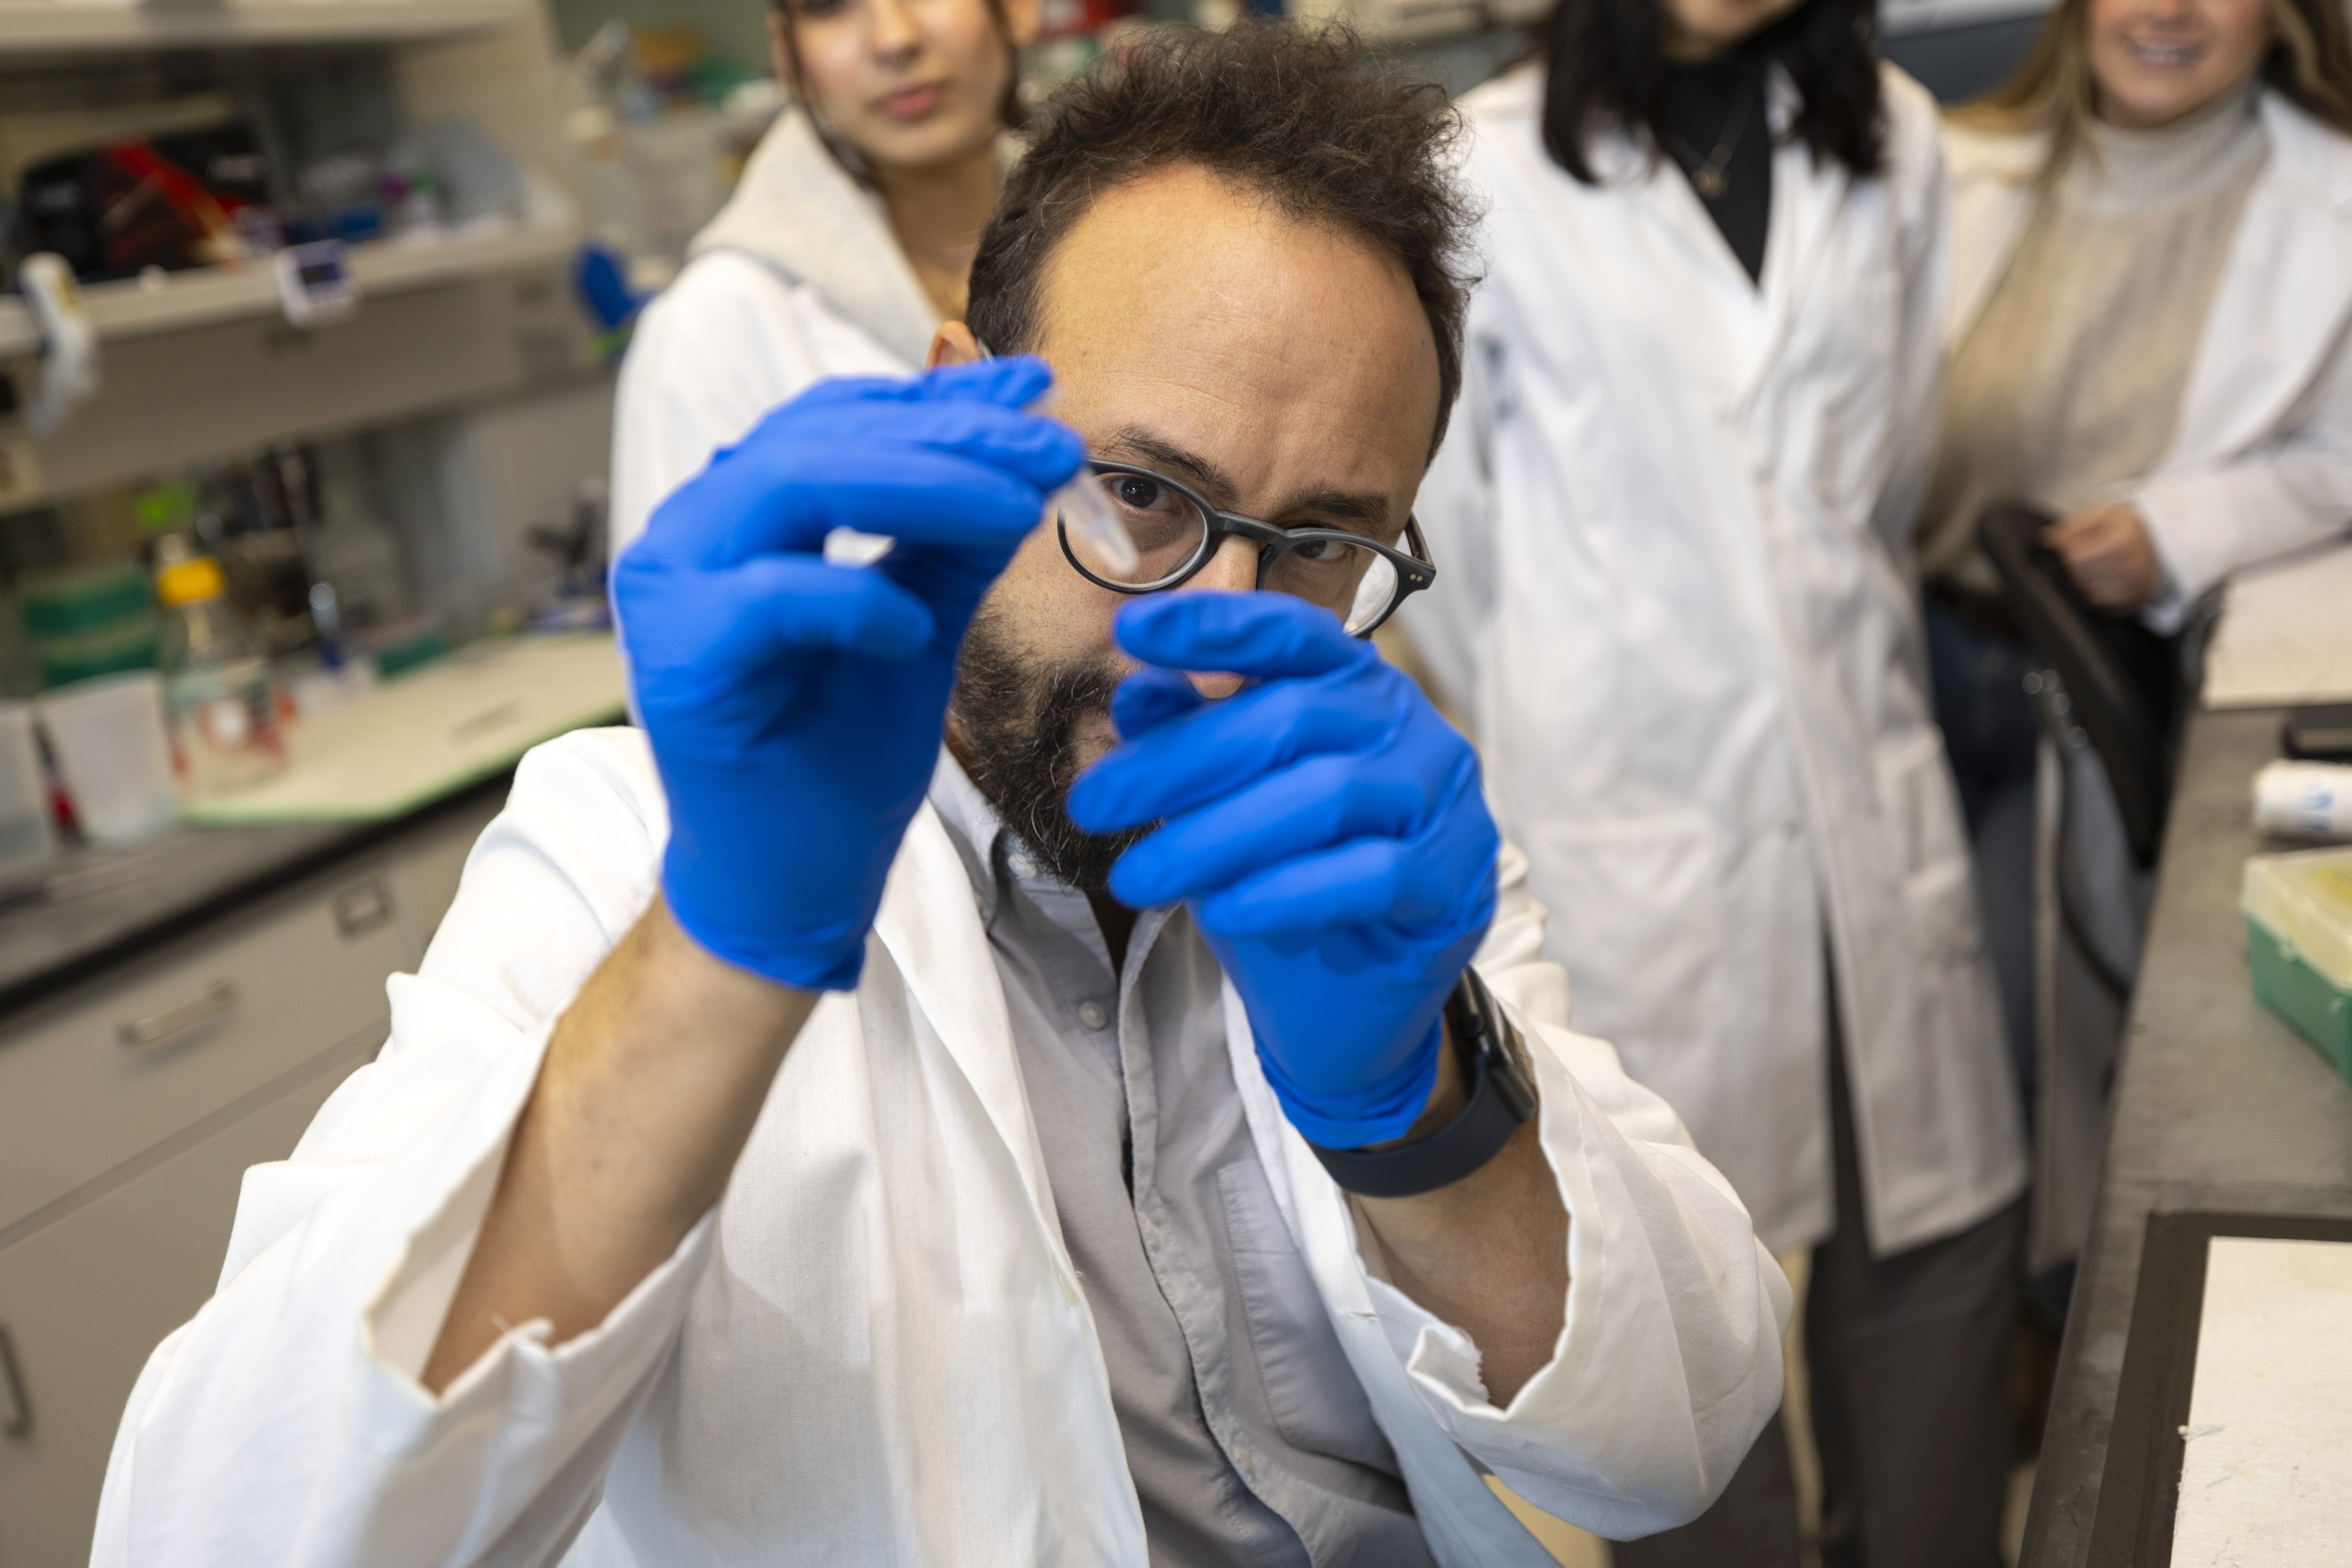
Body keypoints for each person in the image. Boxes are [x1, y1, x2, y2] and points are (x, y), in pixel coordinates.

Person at [91, 27, 1792, 1567]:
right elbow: (219, 1530)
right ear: (954, 404)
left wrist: (1424, 1113)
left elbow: (1681, 1434)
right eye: (1140, 493)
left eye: (1325, 543)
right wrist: (722, 957)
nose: (1209, 642)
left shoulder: (1351, 830)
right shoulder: (630, 854)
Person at [1403, 0, 2028, 1564]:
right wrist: (1606, 690)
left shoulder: (1893, 135)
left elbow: (1879, 481)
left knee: (1933, 1260)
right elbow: (1452, 540)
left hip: (1863, 788)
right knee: (1674, 1314)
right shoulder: (1474, 167)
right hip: (1628, 820)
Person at [1914, 0, 2352, 1181]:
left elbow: (2339, 455)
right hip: (1906, 654)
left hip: (2088, 673)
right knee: (1897, 1038)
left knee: (2019, 1028)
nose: (2164, 10)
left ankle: (2044, 1330)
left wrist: (2175, 528)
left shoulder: (2331, 203)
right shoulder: (1944, 165)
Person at [610, 0, 1037, 553]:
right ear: (788, 54)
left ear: (1019, 8)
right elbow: (669, 614)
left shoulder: (1118, 240)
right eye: (828, 6)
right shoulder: (711, 325)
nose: (893, 38)